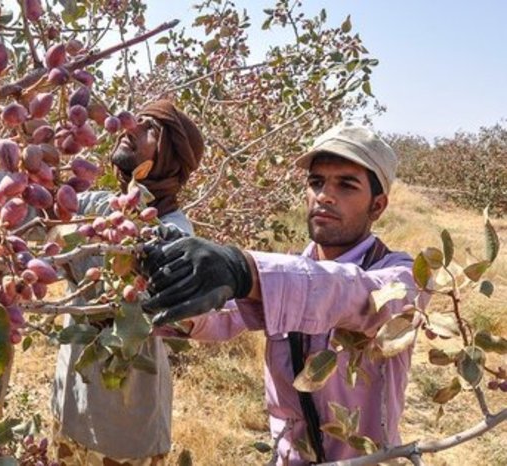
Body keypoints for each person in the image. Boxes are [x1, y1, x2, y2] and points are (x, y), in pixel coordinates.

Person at [140, 122, 427, 464]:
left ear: (377, 206)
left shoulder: (401, 275)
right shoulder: (288, 270)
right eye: (316, 182)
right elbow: (226, 315)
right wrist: (169, 292)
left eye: (346, 185)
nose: (324, 195)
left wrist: (243, 268)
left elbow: (354, 294)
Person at [51, 100, 204, 466]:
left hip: (124, 430)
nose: (129, 127)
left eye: (150, 127)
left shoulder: (175, 235)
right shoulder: (101, 207)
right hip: (69, 405)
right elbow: (29, 208)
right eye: (134, 119)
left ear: (169, 158)